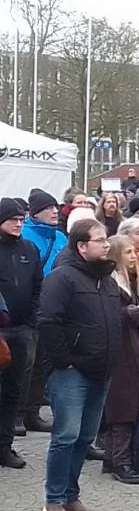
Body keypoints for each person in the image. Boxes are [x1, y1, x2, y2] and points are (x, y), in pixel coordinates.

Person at [38, 218, 122, 511]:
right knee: (66, 435)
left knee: (85, 436)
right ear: (81, 245)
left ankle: (71, 495)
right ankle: (54, 499)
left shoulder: (107, 280)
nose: (106, 244)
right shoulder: (62, 278)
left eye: (106, 239)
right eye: (99, 240)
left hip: (101, 369)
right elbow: (48, 321)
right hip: (72, 371)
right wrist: (64, 361)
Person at [18, 189, 67, 436]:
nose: (55, 212)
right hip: (29, 307)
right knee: (24, 362)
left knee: (41, 363)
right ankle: (16, 414)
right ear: (36, 212)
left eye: (56, 208)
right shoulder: (24, 235)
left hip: (55, 307)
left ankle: (32, 412)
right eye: (49, 208)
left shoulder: (61, 238)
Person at [0, 199, 43, 469]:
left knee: (13, 392)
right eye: (12, 220)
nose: (18, 224)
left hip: (22, 330)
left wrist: (30, 321)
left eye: (21, 219)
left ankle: (4, 447)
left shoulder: (29, 248)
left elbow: (38, 286)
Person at [102, 234, 139, 484]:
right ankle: (120, 460)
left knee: (129, 400)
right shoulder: (110, 283)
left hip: (132, 348)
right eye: (128, 252)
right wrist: (125, 313)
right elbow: (104, 316)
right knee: (122, 403)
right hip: (120, 351)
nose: (133, 256)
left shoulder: (131, 280)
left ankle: (112, 457)